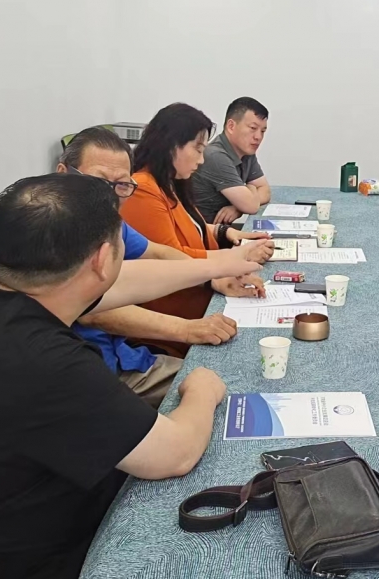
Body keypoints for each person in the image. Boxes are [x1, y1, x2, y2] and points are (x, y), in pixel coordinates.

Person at [0, 174, 236, 579]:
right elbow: (175, 454)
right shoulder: (38, 360)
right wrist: (202, 387)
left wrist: (217, 266)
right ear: (102, 259)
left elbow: (122, 282)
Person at [57, 126, 252, 406]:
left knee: (231, 380)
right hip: (91, 380)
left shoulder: (111, 222)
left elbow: (158, 253)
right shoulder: (53, 230)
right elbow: (91, 310)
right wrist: (187, 328)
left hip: (124, 356)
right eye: (98, 181)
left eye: (121, 185)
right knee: (226, 392)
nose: (109, 195)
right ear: (63, 173)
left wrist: (213, 277)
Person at [121, 103, 273, 346]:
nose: (202, 160)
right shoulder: (144, 190)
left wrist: (227, 234)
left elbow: (192, 227)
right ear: (172, 146)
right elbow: (167, 257)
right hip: (179, 316)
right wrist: (227, 262)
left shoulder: (169, 183)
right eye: (198, 149)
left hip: (203, 295)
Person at [192, 96, 272, 225]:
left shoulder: (246, 152)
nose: (258, 137)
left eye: (263, 131)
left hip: (222, 230)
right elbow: (251, 206)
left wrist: (237, 208)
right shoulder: (215, 156)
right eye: (253, 128)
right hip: (202, 234)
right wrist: (251, 189)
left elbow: (265, 191)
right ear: (231, 126)